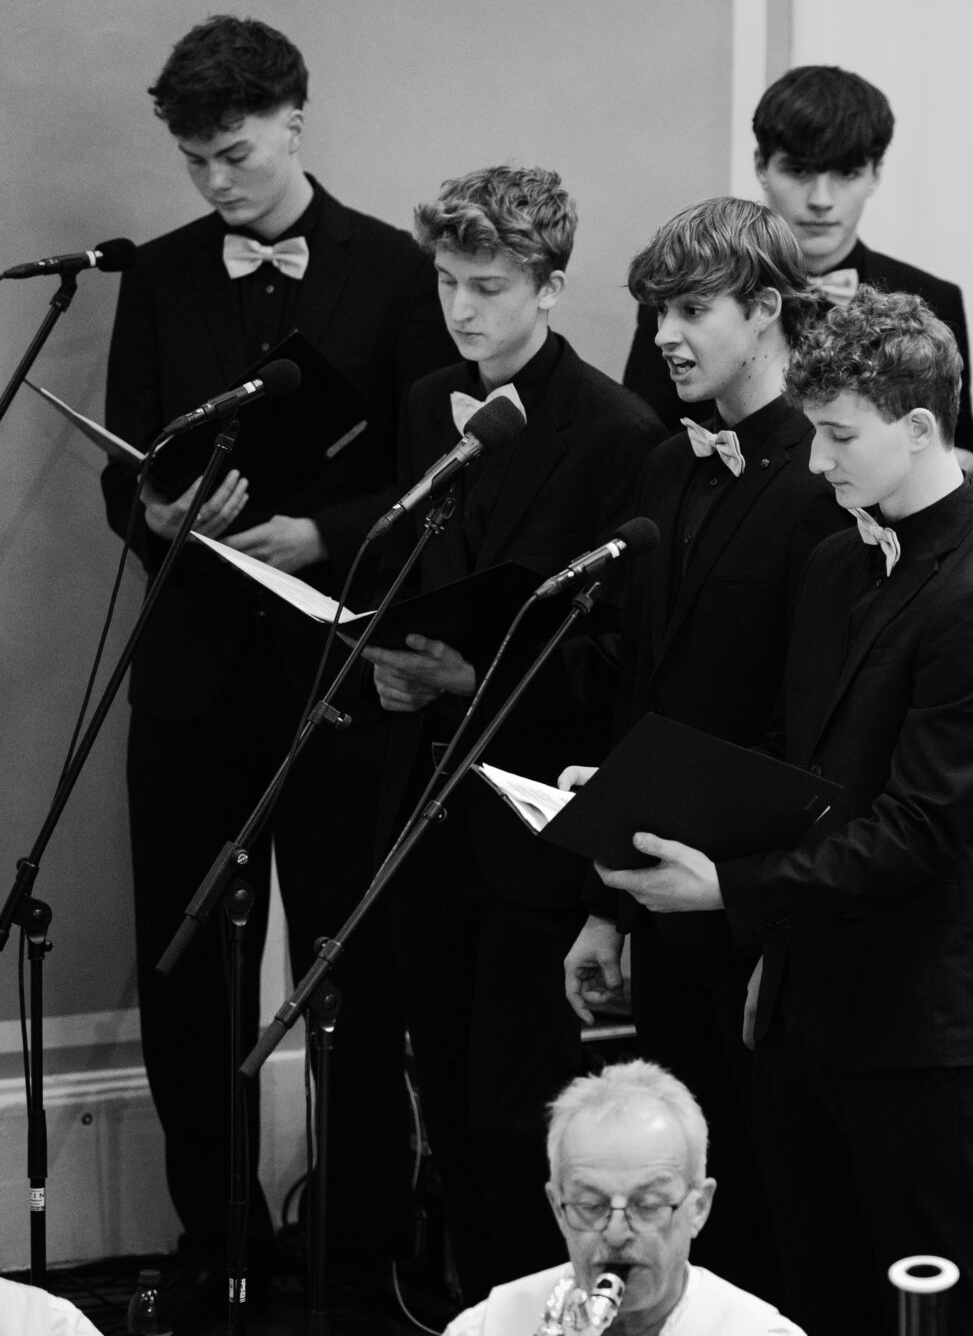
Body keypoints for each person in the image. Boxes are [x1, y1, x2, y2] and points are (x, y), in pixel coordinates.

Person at [592, 288, 973, 1335]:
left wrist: (728, 888)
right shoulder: (842, 558)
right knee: (816, 1301)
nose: (815, 460)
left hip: (929, 1030)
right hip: (807, 1012)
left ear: (920, 429)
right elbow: (794, 769)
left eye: (839, 435)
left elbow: (917, 832)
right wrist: (639, 796)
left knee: (939, 1317)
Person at [98, 15, 452, 1323]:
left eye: (235, 155)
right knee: (185, 974)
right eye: (194, 161)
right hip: (192, 677)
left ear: (294, 119)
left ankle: (355, 1246)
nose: (216, 183)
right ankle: (217, 1236)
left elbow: (435, 478)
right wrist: (154, 512)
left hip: (339, 671)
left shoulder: (398, 270)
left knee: (354, 968)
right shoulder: (158, 275)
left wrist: (325, 533)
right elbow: (125, 466)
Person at [360, 164, 664, 1299]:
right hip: (424, 807)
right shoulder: (426, 401)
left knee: (514, 1113)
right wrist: (391, 666)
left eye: (487, 286)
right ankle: (477, 1309)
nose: (462, 308)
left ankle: (550, 1310)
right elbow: (409, 573)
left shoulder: (618, 433)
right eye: (447, 281)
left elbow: (620, 660)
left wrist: (474, 676)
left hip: (536, 819)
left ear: (550, 286)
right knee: (440, 1091)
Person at [561, 197, 845, 1300]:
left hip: (760, 911)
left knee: (777, 1215)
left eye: (690, 311)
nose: (664, 336)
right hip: (665, 907)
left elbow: (814, 732)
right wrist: (609, 907)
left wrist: (772, 925)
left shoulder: (827, 478)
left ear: (765, 309)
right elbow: (639, 693)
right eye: (658, 313)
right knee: (684, 1213)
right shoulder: (662, 468)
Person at [621, 64, 973, 459]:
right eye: (798, 170)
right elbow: (649, 442)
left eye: (846, 173)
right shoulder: (683, 293)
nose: (821, 200)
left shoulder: (933, 300)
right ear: (761, 165)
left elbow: (950, 451)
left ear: (876, 173)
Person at [445, 1059, 801, 1336]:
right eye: (591, 1206)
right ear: (557, 1208)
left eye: (647, 1206)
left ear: (699, 1208)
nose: (616, 1235)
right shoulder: (486, 1327)